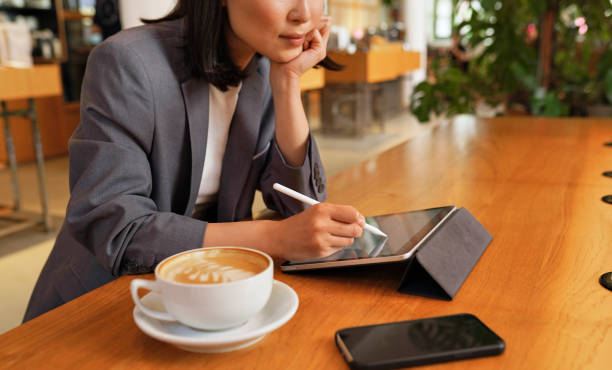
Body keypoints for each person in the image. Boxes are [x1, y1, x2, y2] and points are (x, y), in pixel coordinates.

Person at [24, 0, 365, 321]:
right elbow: (119, 231)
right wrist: (275, 238)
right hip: (102, 303)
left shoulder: (265, 66)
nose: (304, 13)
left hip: (205, 297)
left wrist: (288, 84)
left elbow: (301, 206)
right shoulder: (127, 62)